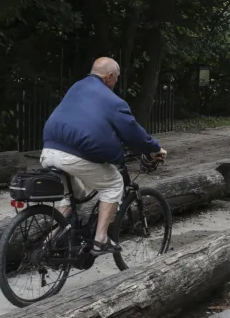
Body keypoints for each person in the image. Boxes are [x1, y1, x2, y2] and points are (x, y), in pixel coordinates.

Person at [41, 57, 167, 257]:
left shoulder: (76, 88)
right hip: (74, 156)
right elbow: (132, 132)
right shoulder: (112, 101)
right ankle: (100, 239)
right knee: (114, 183)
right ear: (109, 77)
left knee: (74, 195)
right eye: (116, 78)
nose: (116, 83)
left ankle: (49, 242)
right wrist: (154, 148)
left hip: (48, 152)